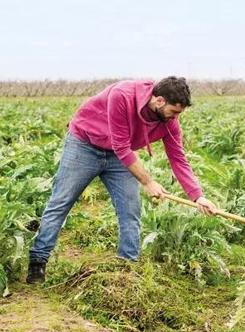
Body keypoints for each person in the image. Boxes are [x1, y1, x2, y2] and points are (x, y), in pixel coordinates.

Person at [26, 77, 218, 284]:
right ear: (159, 101)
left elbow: (178, 159)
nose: (176, 117)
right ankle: (38, 260)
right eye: (175, 111)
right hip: (85, 144)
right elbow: (121, 146)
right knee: (61, 202)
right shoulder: (123, 95)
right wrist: (148, 182)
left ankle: (127, 267)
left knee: (130, 209)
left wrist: (198, 197)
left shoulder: (169, 122)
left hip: (119, 156)